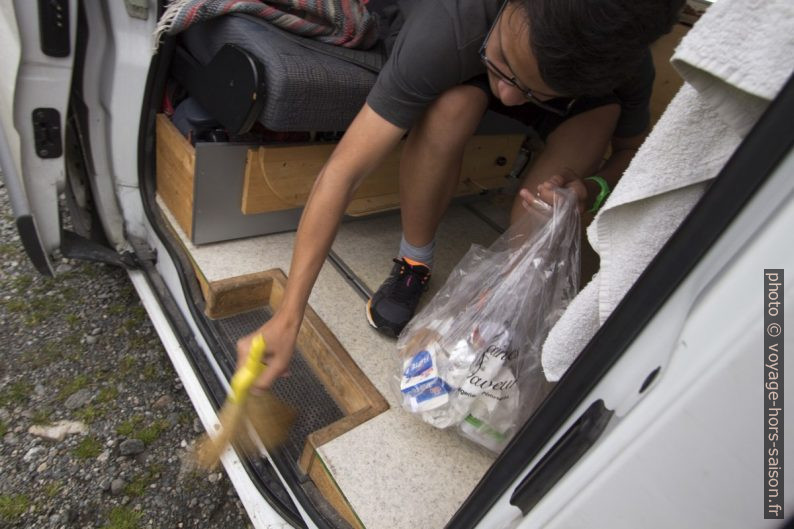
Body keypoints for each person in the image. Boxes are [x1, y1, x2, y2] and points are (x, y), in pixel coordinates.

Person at [237, 0, 684, 390]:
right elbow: (344, 171)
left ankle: (502, 301)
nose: (506, 96)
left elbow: (629, 151)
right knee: (457, 104)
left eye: (528, 89)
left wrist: (591, 187)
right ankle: (414, 260)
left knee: (598, 121)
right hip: (459, 65)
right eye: (506, 61)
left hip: (555, 87)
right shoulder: (450, 24)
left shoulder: (624, 63)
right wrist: (288, 315)